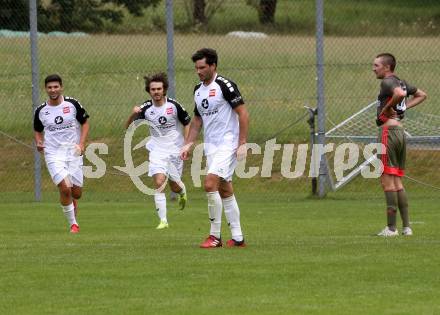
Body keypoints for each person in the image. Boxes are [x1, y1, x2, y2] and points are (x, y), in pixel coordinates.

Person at [181, 48, 249, 248]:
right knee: (225, 189)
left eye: (202, 67)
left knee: (210, 184)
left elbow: (243, 113)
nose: (199, 71)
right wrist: (188, 144)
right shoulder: (198, 90)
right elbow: (196, 120)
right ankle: (238, 238)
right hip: (211, 145)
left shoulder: (225, 85)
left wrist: (242, 142)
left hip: (228, 142)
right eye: (196, 68)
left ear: (213, 66)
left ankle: (214, 237)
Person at [125, 72, 190, 229]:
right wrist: (132, 115)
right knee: (159, 182)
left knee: (174, 185)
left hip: (175, 150)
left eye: (159, 88)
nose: (156, 92)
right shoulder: (145, 109)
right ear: (149, 91)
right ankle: (163, 221)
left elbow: (188, 123)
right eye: (153, 89)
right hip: (157, 150)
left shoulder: (174, 106)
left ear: (164, 89)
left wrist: (186, 145)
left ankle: (182, 192)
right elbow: (128, 128)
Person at [373, 53, 427, 236]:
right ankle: (406, 227)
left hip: (388, 132)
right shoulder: (401, 81)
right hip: (400, 133)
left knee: (387, 181)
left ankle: (391, 228)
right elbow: (421, 95)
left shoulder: (388, 82)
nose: (373, 68)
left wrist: (388, 108)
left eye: (376, 65)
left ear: (387, 67)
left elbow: (399, 94)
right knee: (397, 181)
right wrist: (403, 108)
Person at [34, 74, 90, 233]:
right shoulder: (41, 110)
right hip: (53, 154)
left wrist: (81, 143)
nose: (53, 90)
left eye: (55, 86)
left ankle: (73, 203)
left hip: (73, 153)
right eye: (50, 87)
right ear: (45, 89)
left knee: (76, 193)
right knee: (65, 188)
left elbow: (85, 123)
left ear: (61, 87)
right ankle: (74, 224)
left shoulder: (72, 104)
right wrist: (39, 142)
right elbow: (37, 130)